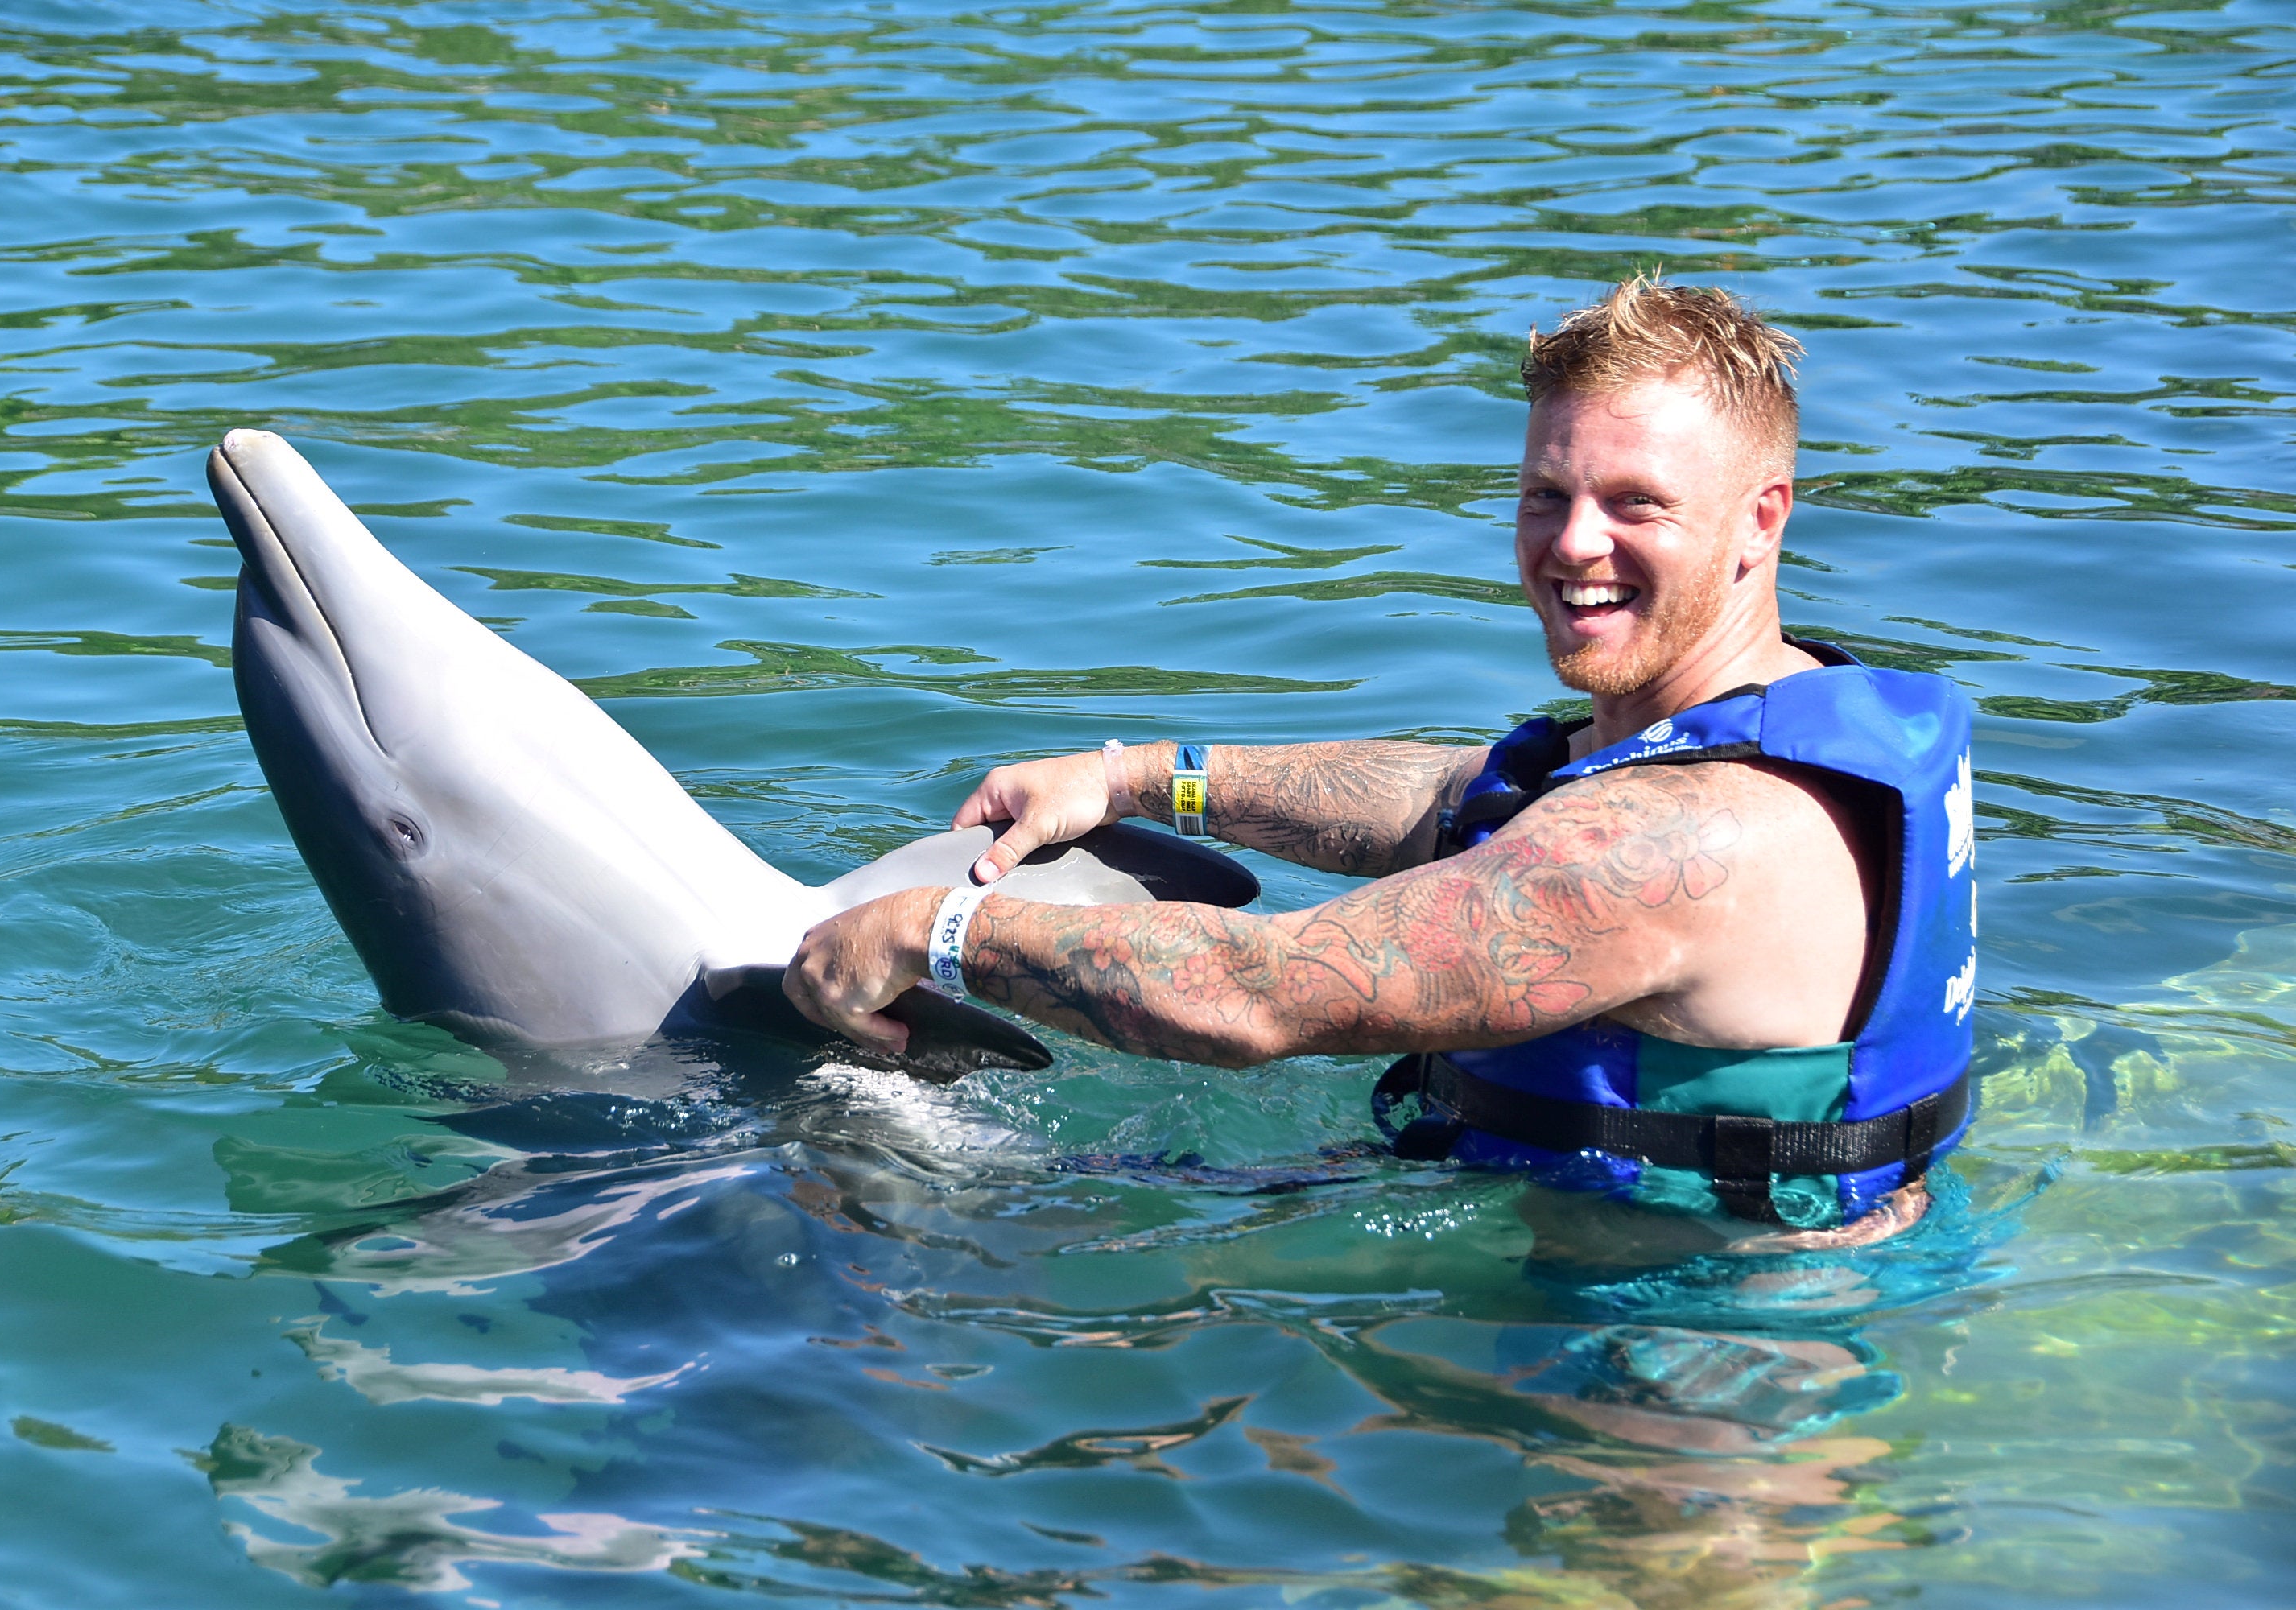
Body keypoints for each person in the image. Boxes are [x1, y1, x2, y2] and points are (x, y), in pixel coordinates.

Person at [786, 275, 1976, 1242]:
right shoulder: (1760, 718)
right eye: (1545, 493)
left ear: (1762, 518)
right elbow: (1453, 800)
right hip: (1584, 1240)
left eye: (1634, 504)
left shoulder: (1688, 837)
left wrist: (929, 932)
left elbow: (1251, 997)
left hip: (1686, 1393)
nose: (1573, 545)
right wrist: (1134, 775)